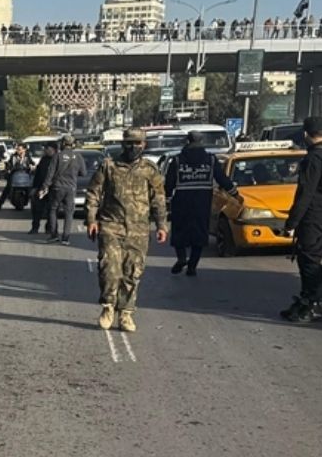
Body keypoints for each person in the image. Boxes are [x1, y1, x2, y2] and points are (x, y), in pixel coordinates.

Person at [85, 128, 168, 333]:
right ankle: (108, 307)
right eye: (129, 143)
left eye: (137, 143)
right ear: (123, 144)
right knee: (109, 269)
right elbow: (94, 194)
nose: (133, 147)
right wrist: (91, 220)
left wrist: (161, 225)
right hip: (111, 225)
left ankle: (126, 313)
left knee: (132, 272)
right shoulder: (109, 166)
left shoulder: (150, 169)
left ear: (144, 145)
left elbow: (158, 199)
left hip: (139, 229)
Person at [281, 116, 322, 324]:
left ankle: (314, 304)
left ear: (305, 134)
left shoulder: (313, 158)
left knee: (309, 260)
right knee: (309, 257)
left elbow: (305, 193)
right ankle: (306, 300)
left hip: (313, 214)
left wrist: (292, 222)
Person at [165, 131, 240, 275]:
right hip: (202, 203)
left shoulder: (177, 160)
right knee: (199, 235)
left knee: (179, 232)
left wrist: (167, 201)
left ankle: (181, 258)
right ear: (201, 142)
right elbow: (222, 179)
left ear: (187, 141)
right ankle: (192, 266)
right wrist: (234, 193)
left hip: (181, 203)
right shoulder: (210, 160)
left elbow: (169, 183)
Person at [42, 135, 86, 244]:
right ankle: (65, 238)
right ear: (73, 144)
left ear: (62, 144)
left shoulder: (57, 156)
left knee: (53, 210)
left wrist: (45, 186)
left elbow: (50, 173)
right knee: (69, 213)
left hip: (57, 187)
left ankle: (54, 235)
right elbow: (83, 173)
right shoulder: (78, 156)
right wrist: (73, 173)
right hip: (71, 188)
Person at [29, 142, 57, 235]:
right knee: (37, 209)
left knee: (51, 210)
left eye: (47, 149)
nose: (45, 150)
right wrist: (34, 187)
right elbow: (38, 174)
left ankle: (49, 228)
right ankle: (35, 228)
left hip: (52, 188)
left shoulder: (57, 159)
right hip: (41, 187)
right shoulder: (44, 159)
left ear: (53, 149)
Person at [0, 144, 31, 210]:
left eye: (20, 149)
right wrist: (8, 169)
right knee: (7, 188)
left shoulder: (27, 156)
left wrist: (32, 167)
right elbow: (9, 164)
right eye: (17, 149)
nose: (18, 151)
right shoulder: (13, 156)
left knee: (31, 187)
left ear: (24, 150)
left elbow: (31, 163)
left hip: (25, 176)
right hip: (15, 175)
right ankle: (0, 204)